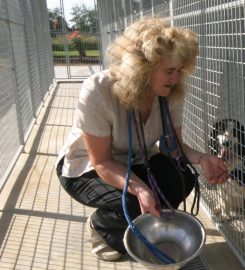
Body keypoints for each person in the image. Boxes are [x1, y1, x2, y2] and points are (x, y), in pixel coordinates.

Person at [56, 18, 229, 261]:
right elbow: (102, 162)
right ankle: (102, 224)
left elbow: (173, 147)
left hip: (136, 159)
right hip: (87, 167)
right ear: (141, 67)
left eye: (180, 70)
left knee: (182, 177)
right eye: (169, 71)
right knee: (134, 198)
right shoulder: (97, 90)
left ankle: (139, 221)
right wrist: (141, 188)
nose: (176, 78)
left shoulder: (171, 90)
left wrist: (203, 159)